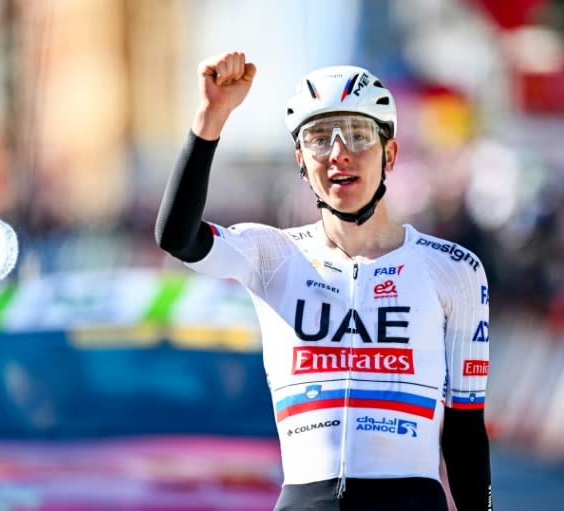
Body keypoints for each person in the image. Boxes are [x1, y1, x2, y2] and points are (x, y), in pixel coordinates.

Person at [155, 51, 492, 511]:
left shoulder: (454, 268)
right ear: (300, 160)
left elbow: (467, 429)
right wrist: (212, 117)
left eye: (358, 134)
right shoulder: (271, 253)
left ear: (389, 153)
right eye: (318, 138)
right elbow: (177, 236)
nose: (339, 153)